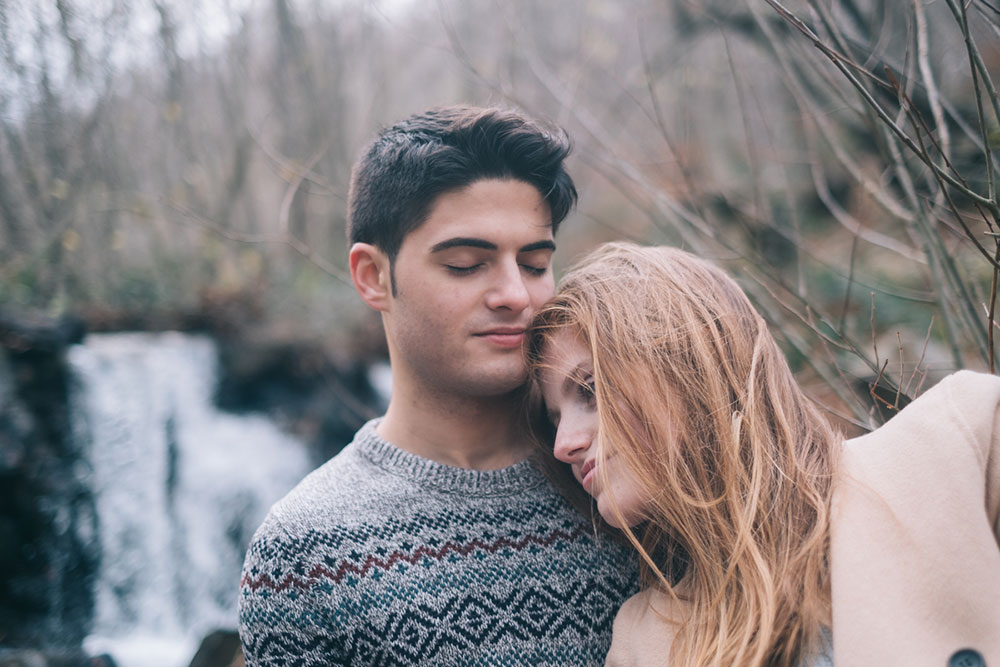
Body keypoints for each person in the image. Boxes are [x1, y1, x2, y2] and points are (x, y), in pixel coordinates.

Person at [237, 106, 637, 665]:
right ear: (373, 276)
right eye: (467, 265)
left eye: (534, 262)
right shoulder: (305, 553)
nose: (515, 295)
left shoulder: (631, 477)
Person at [529, 241, 1000, 667]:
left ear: (686, 363)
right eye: (555, 418)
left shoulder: (959, 443)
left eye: (590, 390)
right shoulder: (643, 643)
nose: (564, 444)